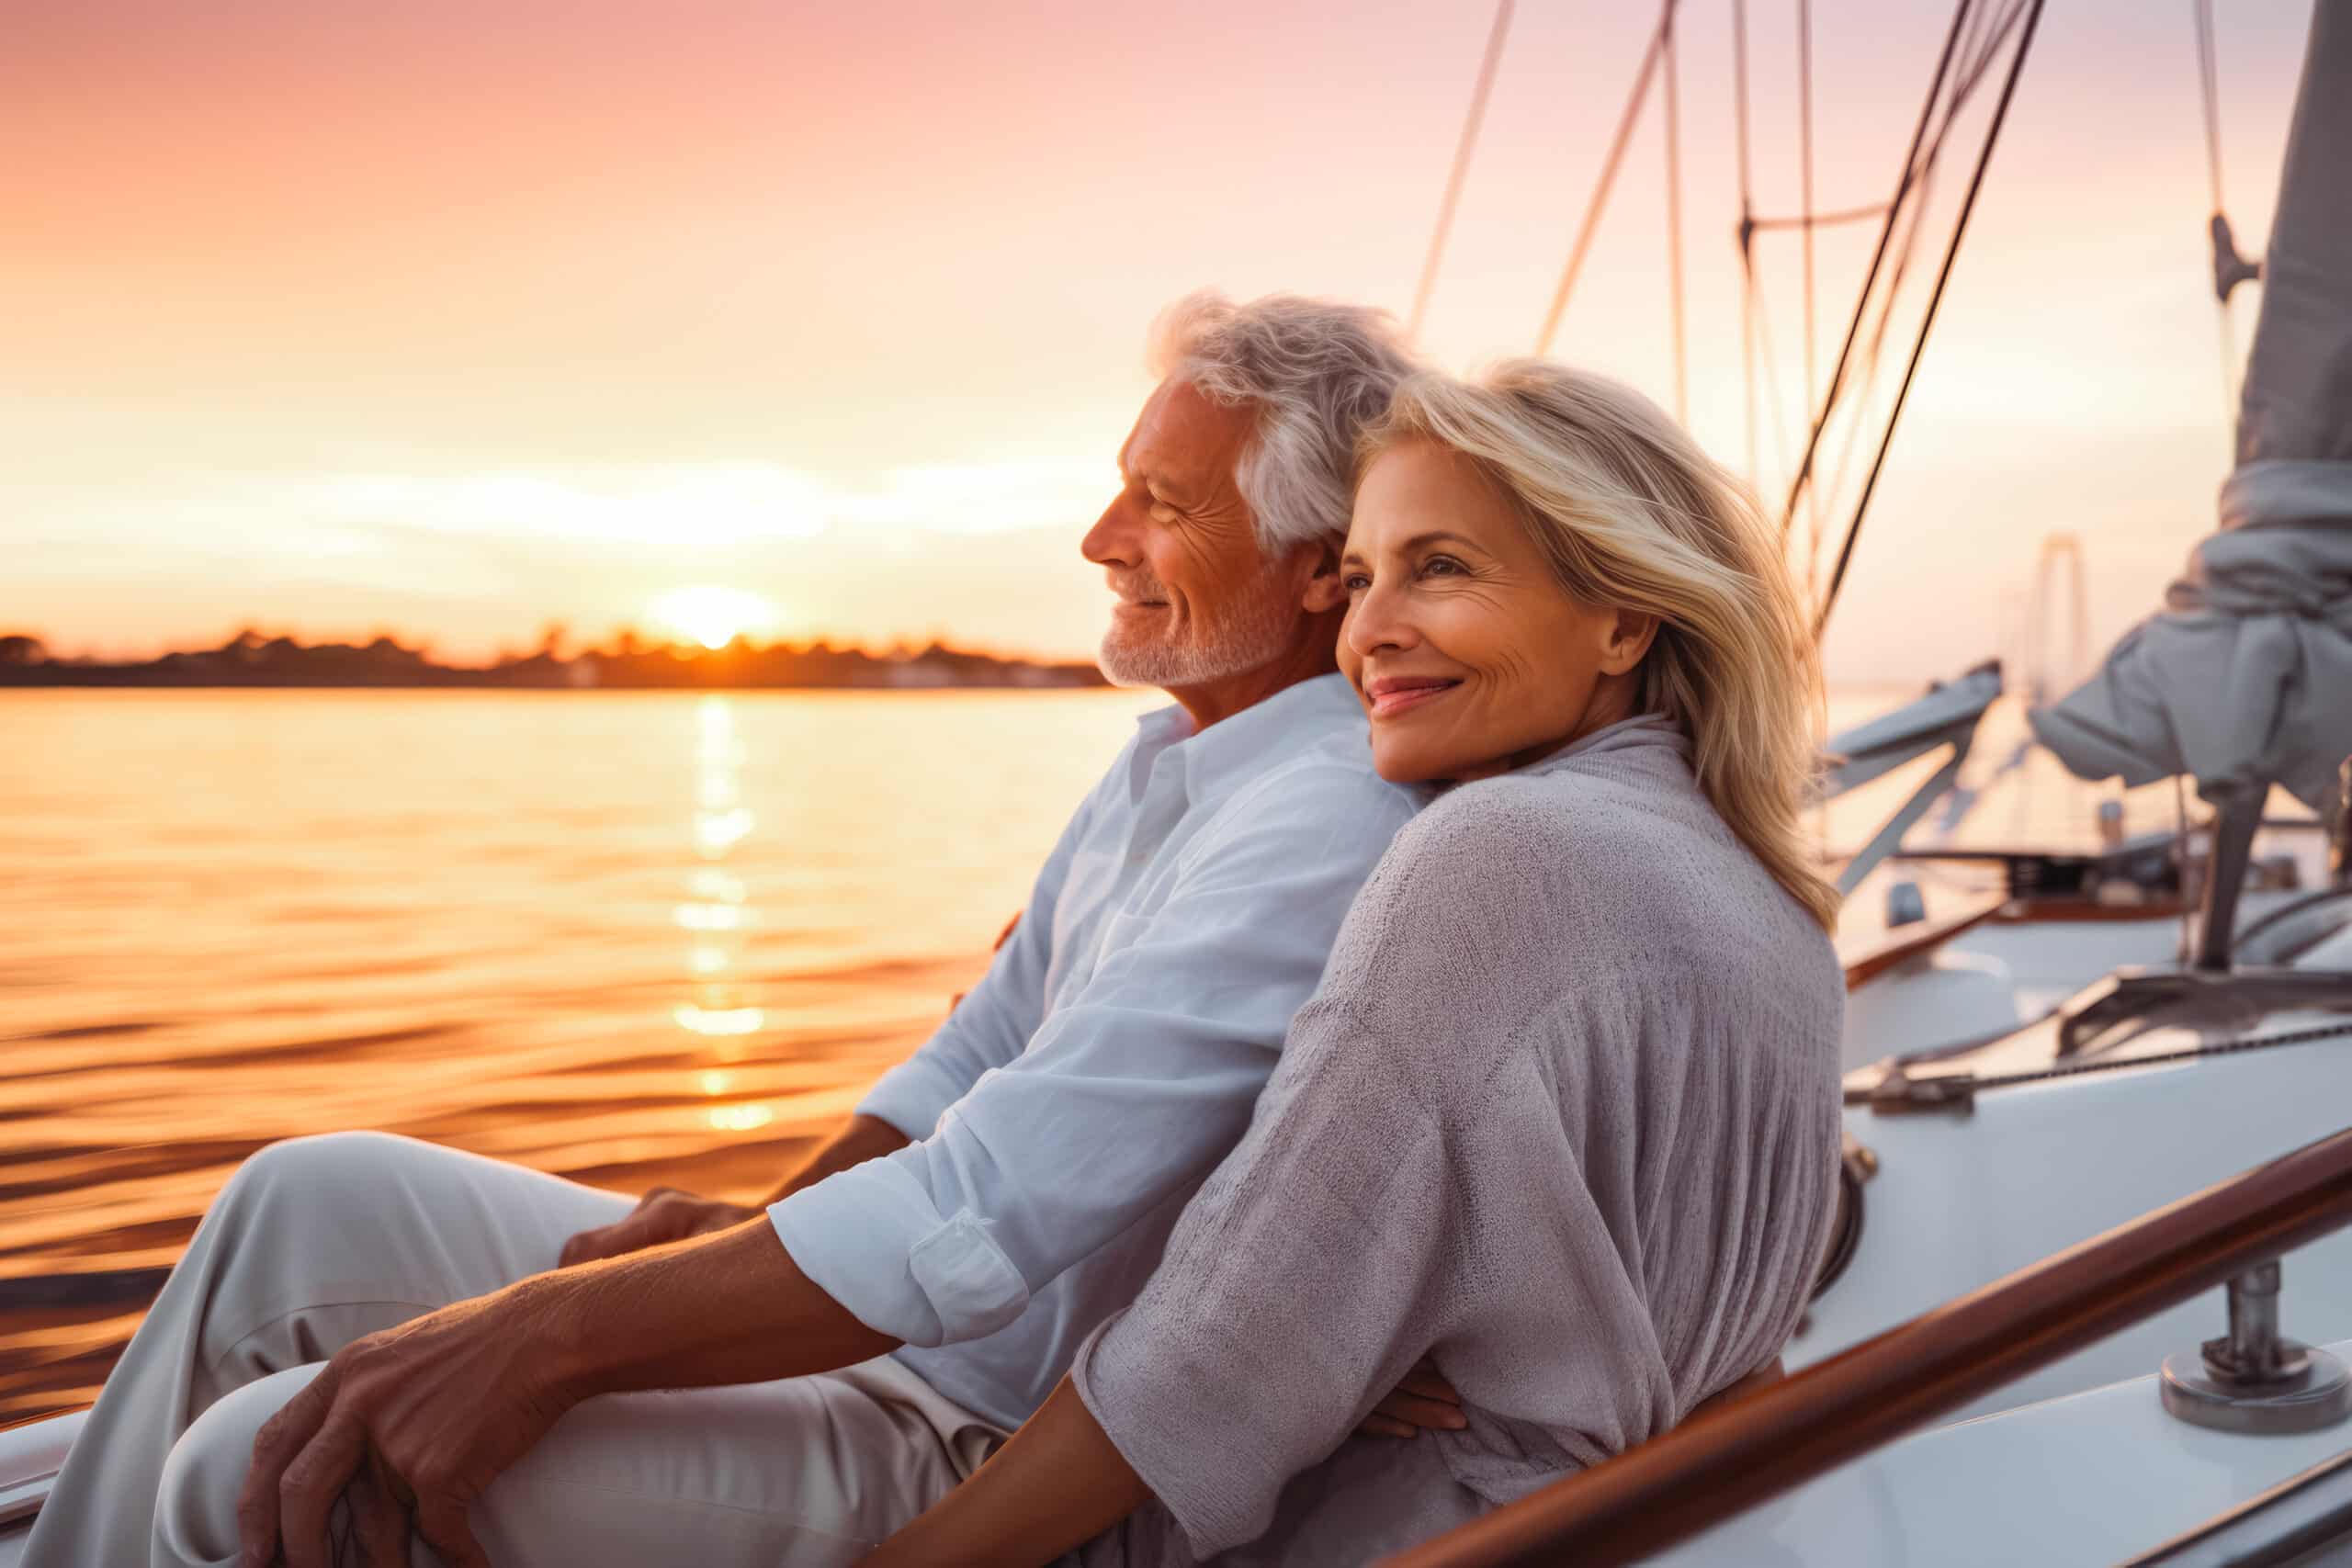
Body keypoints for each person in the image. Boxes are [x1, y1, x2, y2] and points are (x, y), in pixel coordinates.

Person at [22, 292, 1432, 1568]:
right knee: (301, 1196)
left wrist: (542, 1342)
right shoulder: (1170, 761)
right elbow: (960, 1072)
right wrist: (762, 1223)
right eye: (1119, 485)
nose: (1099, 537)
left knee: (247, 1470)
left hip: (963, 1429)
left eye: (1161, 504)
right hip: (867, 1333)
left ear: (1321, 569)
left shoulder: (1320, 828)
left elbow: (977, 1212)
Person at [868, 360, 1848, 1566]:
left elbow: (1215, 1365)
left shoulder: (1496, 852)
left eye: (1440, 568)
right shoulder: (1769, 900)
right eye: (1367, 574)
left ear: (1623, 618)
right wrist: (1379, 1325)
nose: (1369, 632)